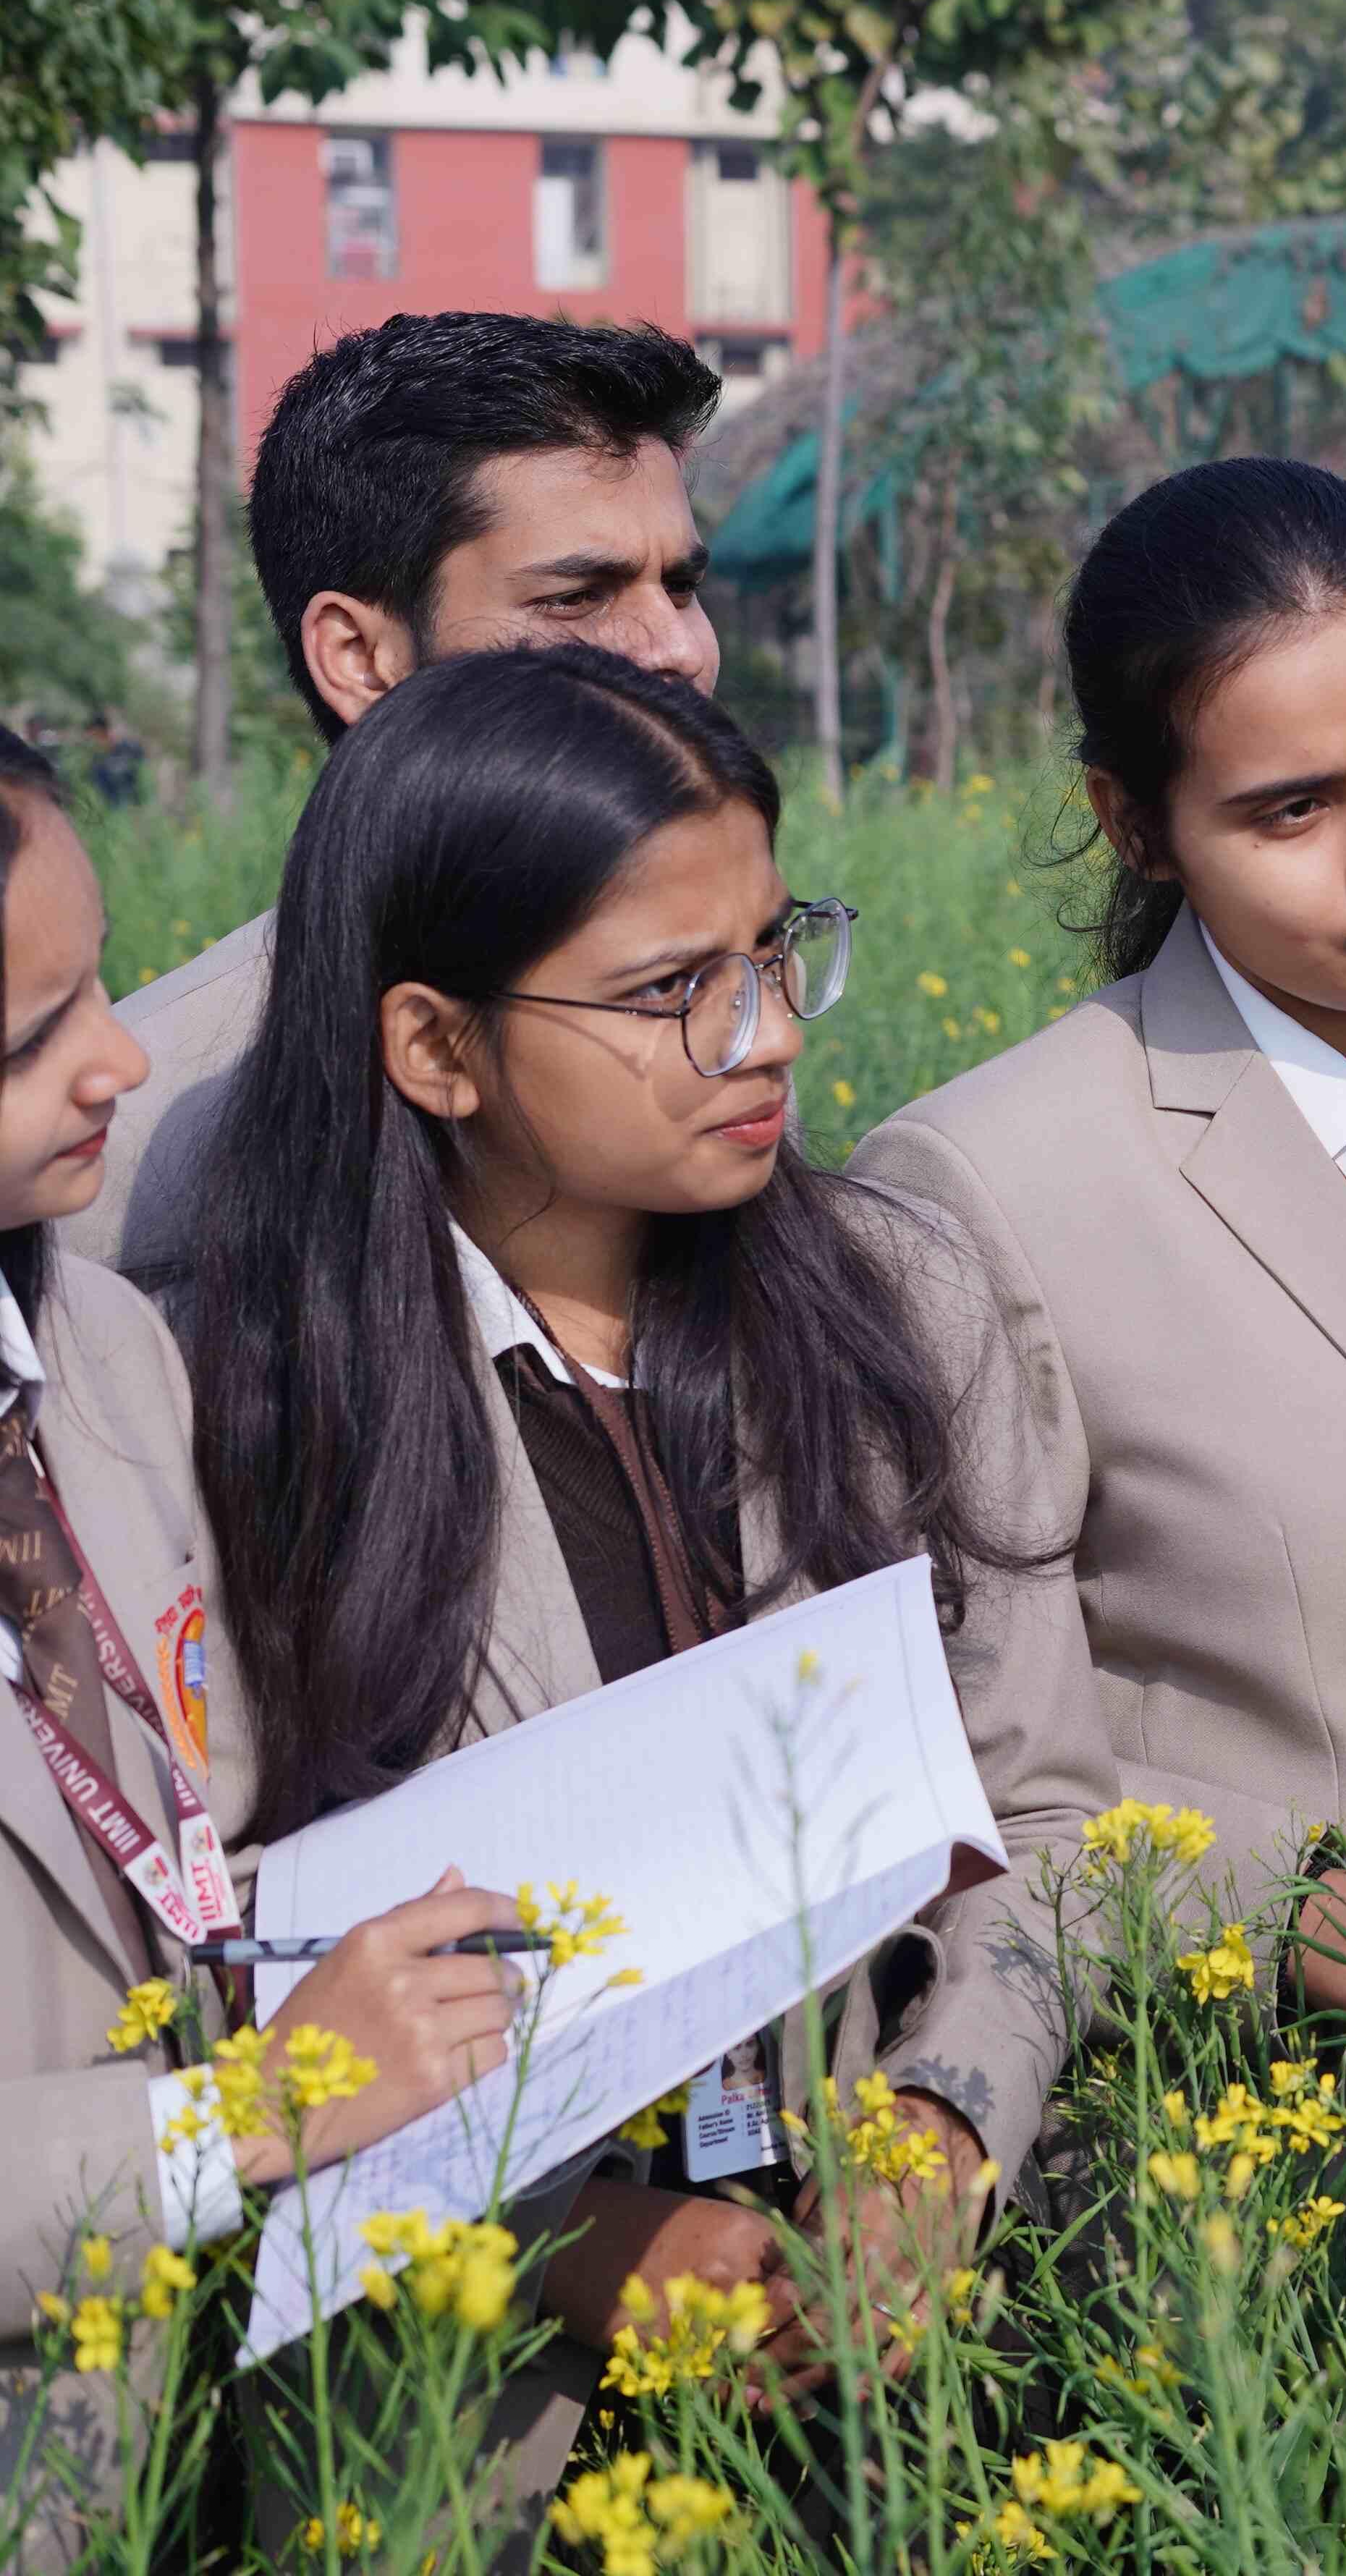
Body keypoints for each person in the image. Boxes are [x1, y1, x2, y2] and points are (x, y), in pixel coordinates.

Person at [161, 648, 1109, 2447]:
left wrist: (942, 2123)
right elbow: (212, 1979)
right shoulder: (232, 1402)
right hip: (466, 2408)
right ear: (436, 1043)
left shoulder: (903, 1297)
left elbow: (1048, 1809)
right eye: (675, 989)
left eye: (774, 948)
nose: (769, 1033)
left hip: (901, 2362)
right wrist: (571, 2243)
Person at [860, 459, 1346, 2009]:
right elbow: (979, 1737)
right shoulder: (989, 1185)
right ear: (1137, 825)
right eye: (1293, 807)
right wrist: (1305, 1916)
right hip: (1307, 2110)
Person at [0, 724, 527, 2541]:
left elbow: (190, 1795)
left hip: (204, 2422)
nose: (122, 1067)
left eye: (96, 985)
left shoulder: (100, 1347)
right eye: (30, 1041)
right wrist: (248, 2116)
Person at [73, 313, 724, 1272]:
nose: (676, 650)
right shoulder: (124, 1168)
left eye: (679, 586)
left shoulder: (729, 1027)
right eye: (575, 599)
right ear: (359, 656)